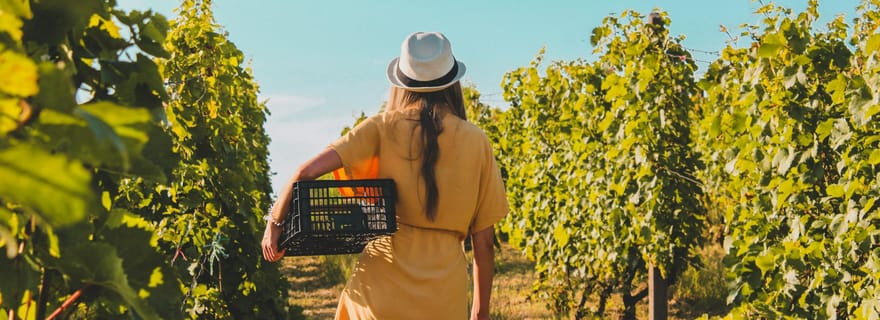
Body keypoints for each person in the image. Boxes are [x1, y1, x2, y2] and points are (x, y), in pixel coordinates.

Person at [261, 31, 509, 320]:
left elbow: (305, 172)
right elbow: (484, 242)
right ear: (452, 82)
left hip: (380, 288)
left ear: (402, 82)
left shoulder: (381, 127)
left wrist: (275, 222)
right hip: (443, 295)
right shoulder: (476, 141)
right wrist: (480, 313)